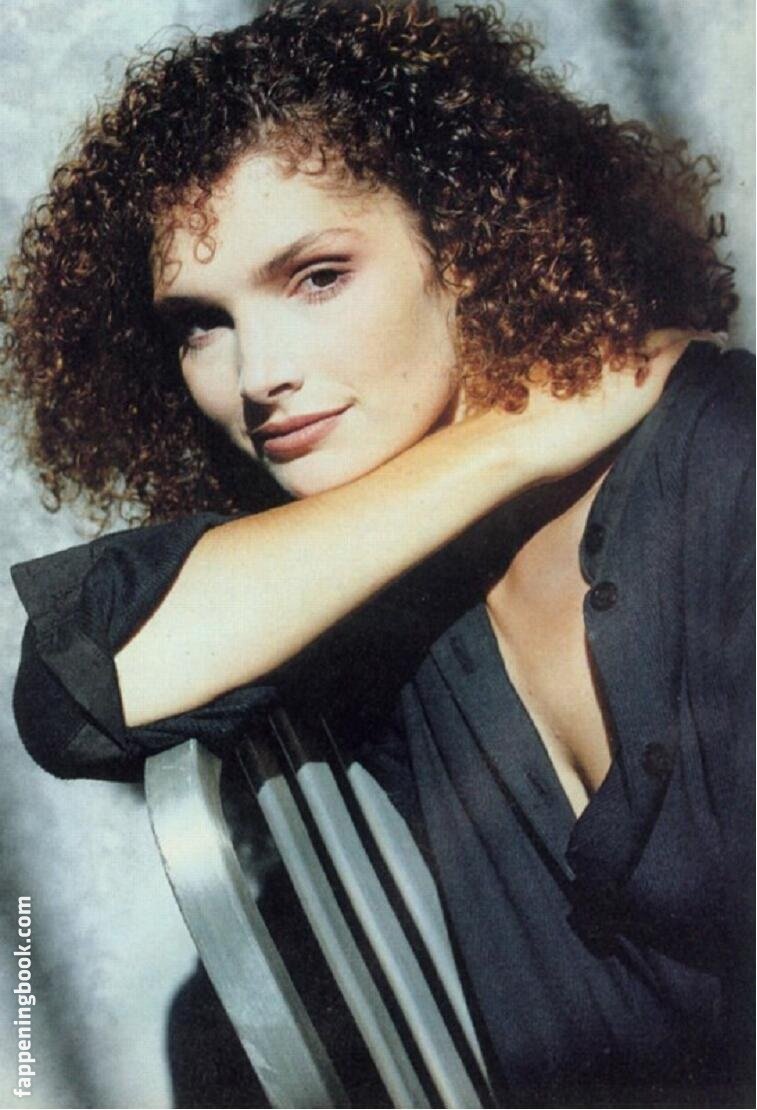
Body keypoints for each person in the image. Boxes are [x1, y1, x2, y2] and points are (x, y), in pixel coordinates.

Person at [2, 1, 753, 1105]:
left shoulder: (727, 468)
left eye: (317, 276)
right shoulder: (373, 596)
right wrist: (514, 440)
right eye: (201, 322)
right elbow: (78, 691)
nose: (258, 374)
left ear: (469, 245)